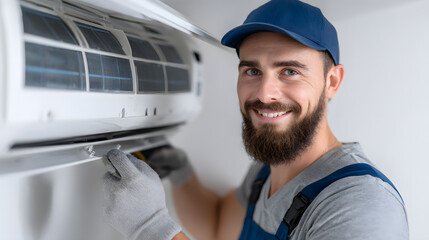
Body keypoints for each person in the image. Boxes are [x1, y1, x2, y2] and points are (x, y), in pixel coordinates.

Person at [101, 0, 409, 239]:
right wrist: (179, 172)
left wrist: (150, 228)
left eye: (290, 71)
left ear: (332, 82)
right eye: (252, 71)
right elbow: (219, 228)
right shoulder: (265, 171)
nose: (265, 93)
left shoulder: (362, 205)